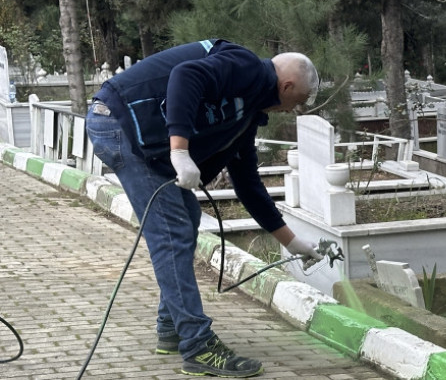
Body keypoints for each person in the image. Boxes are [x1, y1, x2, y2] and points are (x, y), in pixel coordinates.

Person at [85, 39, 324, 378]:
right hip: (119, 123)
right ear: (286, 86)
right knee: (172, 233)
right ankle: (198, 346)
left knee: (188, 218)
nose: (290, 111)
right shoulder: (248, 67)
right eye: (295, 103)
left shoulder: (249, 111)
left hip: (137, 133)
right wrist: (180, 151)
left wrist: (291, 242)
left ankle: (171, 329)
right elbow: (186, 75)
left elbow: (248, 184)